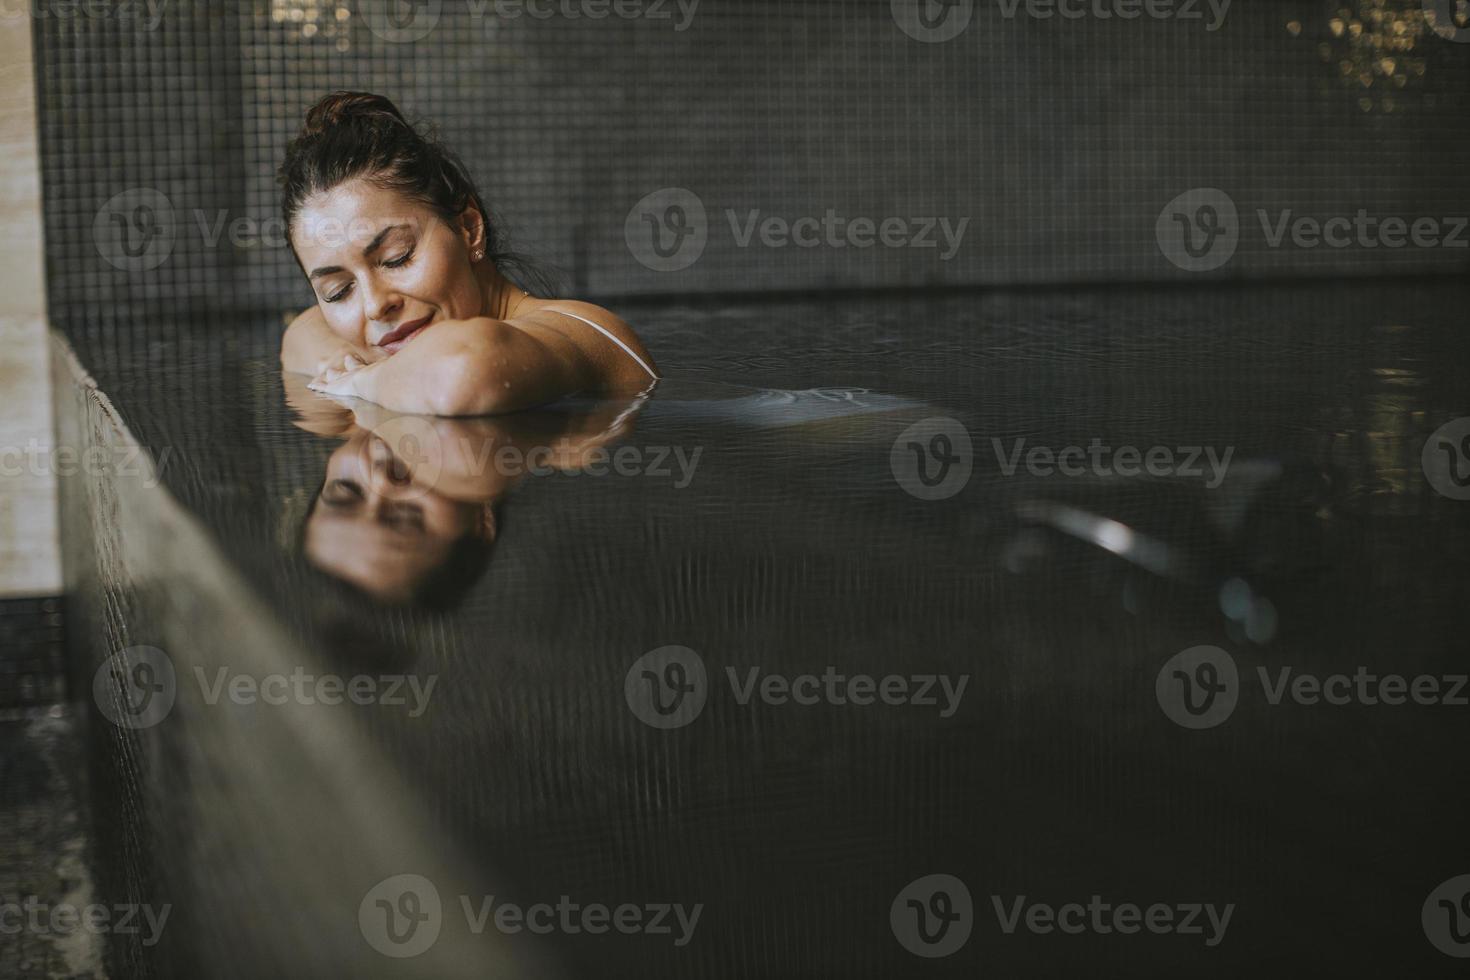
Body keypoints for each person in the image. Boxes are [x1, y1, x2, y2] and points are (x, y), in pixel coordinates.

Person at [278, 91, 658, 416]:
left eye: (397, 257)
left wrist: (358, 382)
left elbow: (464, 371)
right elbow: (302, 331)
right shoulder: (380, 348)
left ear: (469, 229)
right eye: (339, 291)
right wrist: (343, 365)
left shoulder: (584, 330)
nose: (376, 305)